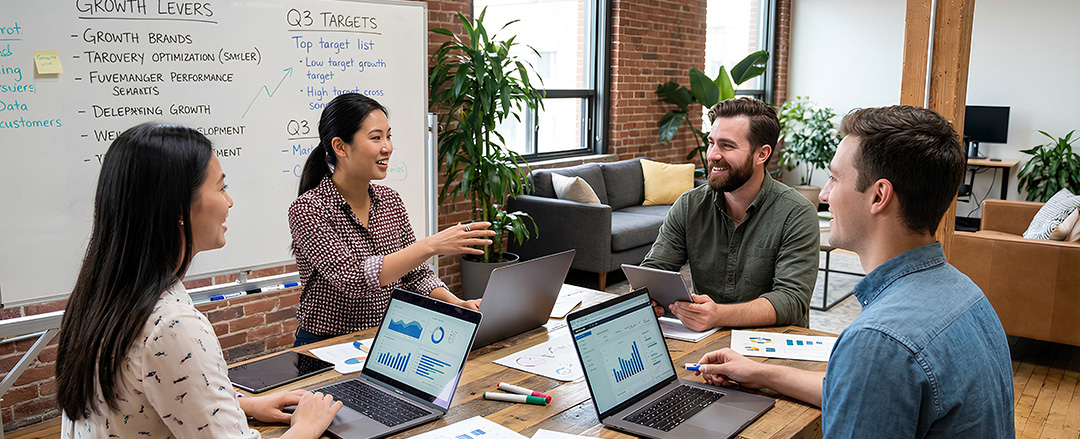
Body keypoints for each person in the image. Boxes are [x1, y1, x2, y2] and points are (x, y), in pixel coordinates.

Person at [693, 106, 1014, 438]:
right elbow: (862, 393)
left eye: (834, 177)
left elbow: (875, 369)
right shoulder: (966, 293)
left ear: (878, 196)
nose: (824, 194)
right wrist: (759, 374)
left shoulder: (879, 341)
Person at [56, 124, 342, 438]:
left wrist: (243, 404)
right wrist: (308, 426)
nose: (229, 202)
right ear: (180, 208)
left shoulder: (101, 296)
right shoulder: (172, 325)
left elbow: (153, 390)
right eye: (221, 188)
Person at [289, 93, 494, 346]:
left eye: (388, 136)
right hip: (326, 346)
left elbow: (416, 274)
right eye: (376, 138)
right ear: (340, 147)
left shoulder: (390, 200)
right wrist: (429, 245)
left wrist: (457, 302)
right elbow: (352, 278)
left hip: (384, 339)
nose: (387, 147)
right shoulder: (308, 209)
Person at [640, 97, 819, 331]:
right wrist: (645, 296)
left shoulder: (796, 213)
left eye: (727, 146)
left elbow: (791, 300)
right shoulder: (689, 205)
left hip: (771, 345)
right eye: (712, 143)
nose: (713, 154)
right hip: (704, 339)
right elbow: (655, 269)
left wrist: (719, 316)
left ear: (761, 154)